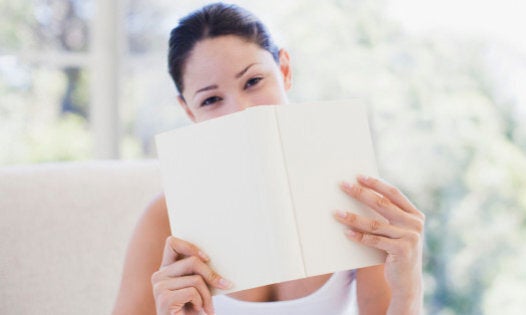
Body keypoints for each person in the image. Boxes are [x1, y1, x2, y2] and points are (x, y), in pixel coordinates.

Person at [113, 2, 425, 315]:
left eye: (253, 81)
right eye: (211, 99)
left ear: (285, 70)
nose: (241, 111)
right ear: (188, 110)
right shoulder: (166, 219)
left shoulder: (359, 198)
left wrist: (409, 287)